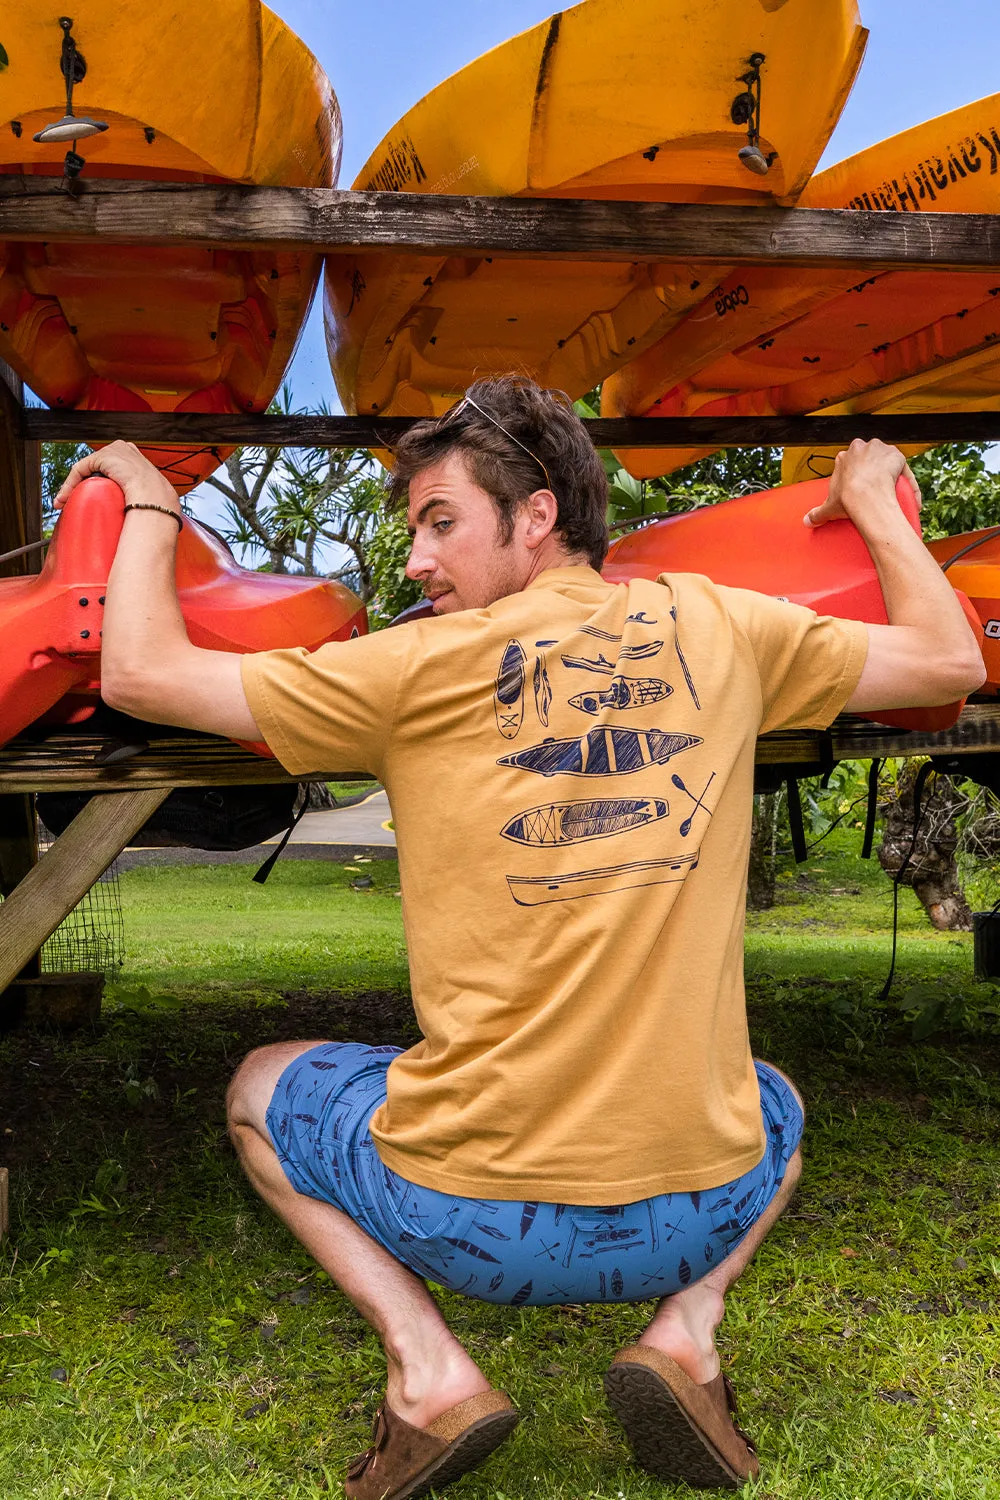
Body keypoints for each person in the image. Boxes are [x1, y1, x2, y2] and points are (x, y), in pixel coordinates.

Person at [57, 377, 984, 1498]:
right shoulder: (726, 626)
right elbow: (949, 662)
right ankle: (687, 1333)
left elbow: (140, 673)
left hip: (469, 1225)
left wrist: (153, 502)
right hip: (697, 1216)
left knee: (258, 1086)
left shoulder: (408, 668)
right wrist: (877, 497)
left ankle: (428, 1372)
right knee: (772, 1098)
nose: (415, 561)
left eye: (438, 522)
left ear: (536, 517)